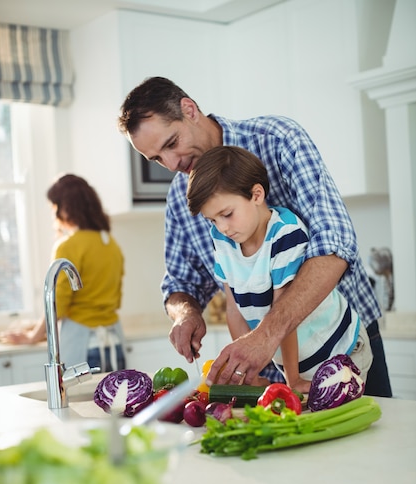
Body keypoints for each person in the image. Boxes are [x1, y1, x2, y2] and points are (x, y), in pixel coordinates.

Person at [118, 76, 392, 397]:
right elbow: (181, 283)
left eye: (171, 143)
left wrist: (265, 336)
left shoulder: (277, 140)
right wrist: (186, 314)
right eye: (156, 158)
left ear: (189, 110)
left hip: (343, 344)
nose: (172, 163)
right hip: (273, 368)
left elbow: (335, 245)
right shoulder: (182, 196)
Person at [187, 146, 373, 392]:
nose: (222, 227)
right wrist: (246, 373)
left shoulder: (286, 234)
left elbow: (285, 315)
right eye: (212, 220)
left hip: (341, 350)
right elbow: (234, 310)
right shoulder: (222, 241)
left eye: (227, 214)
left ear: (256, 194)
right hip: (296, 362)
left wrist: (292, 381)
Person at [2, 174, 126, 372]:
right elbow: (115, 298)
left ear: (65, 208)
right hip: (115, 343)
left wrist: (33, 336)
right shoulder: (111, 244)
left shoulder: (68, 246)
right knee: (115, 402)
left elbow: (58, 302)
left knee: (79, 404)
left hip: (83, 346)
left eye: (54, 207)